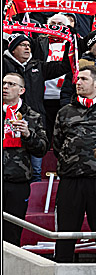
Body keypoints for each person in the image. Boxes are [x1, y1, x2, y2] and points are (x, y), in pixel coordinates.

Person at [53, 66, 96, 262]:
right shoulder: (65, 111)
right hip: (71, 179)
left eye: (83, 79)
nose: (77, 83)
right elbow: (57, 144)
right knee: (65, 234)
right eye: (77, 79)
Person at [2, 71, 49, 246]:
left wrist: (28, 134)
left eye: (11, 84)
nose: (5, 87)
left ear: (22, 90)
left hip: (18, 181)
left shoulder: (33, 116)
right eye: (4, 83)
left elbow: (42, 149)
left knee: (12, 234)